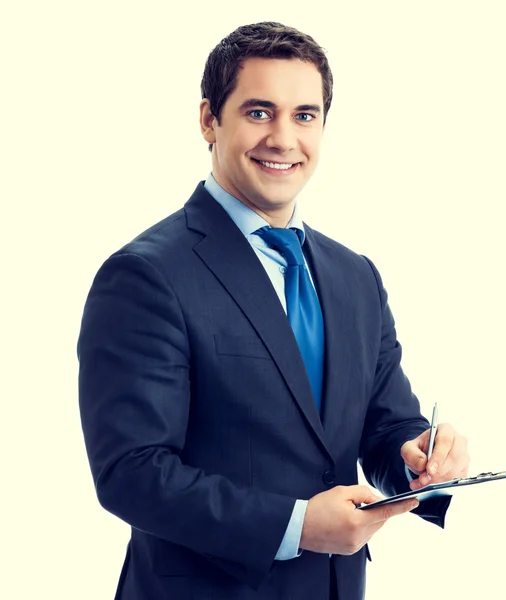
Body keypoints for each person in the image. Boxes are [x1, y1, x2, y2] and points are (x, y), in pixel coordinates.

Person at [78, 21, 470, 600]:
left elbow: (385, 424)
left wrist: (418, 460)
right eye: (259, 112)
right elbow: (131, 473)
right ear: (210, 119)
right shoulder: (146, 275)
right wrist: (298, 526)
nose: (284, 139)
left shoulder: (354, 276)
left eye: (304, 115)